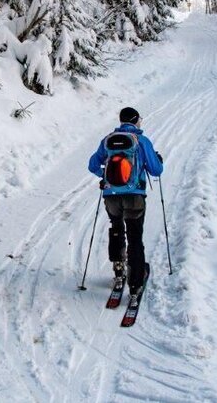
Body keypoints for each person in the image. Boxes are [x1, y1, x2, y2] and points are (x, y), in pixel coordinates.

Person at [87, 107, 163, 297]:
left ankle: (119, 271)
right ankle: (136, 283)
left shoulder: (107, 140)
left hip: (111, 195)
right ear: (136, 120)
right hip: (134, 195)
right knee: (135, 237)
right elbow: (156, 170)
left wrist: (105, 176)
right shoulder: (142, 141)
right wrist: (158, 159)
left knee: (116, 229)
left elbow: (93, 165)